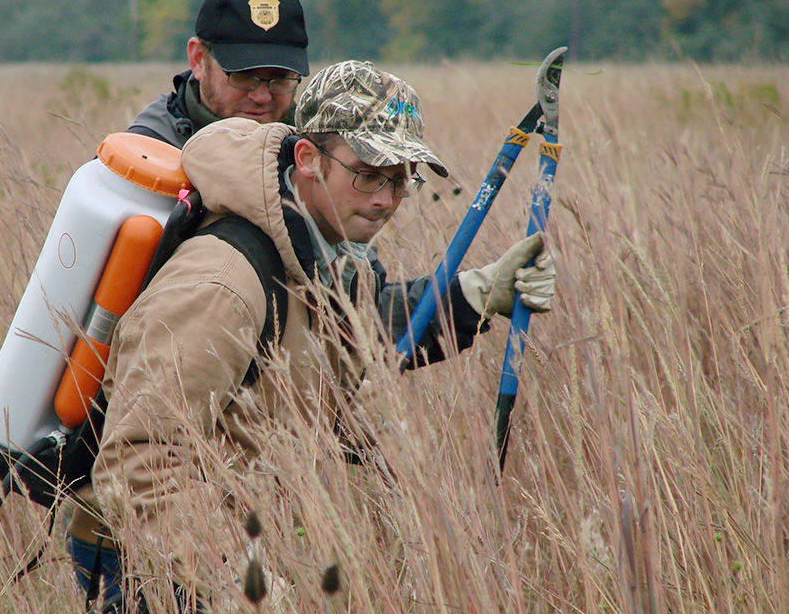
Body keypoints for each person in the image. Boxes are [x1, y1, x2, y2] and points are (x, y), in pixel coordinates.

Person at [66, 60, 557, 612]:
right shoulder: (220, 284)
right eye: (370, 174)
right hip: (159, 571)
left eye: (402, 179)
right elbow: (139, 465)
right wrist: (232, 579)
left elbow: (349, 347)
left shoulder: (327, 254)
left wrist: (474, 296)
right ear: (305, 158)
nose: (386, 199)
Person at [126, 0, 309, 148]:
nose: (262, 97)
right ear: (198, 59)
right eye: (243, 75)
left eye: (281, 77)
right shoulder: (143, 153)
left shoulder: (317, 149)